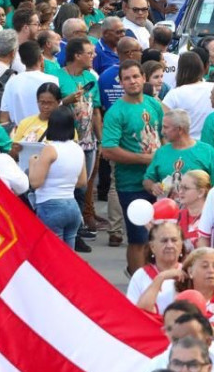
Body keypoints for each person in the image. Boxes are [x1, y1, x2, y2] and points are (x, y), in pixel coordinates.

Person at [101, 60, 164, 273]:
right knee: (138, 239)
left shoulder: (154, 104)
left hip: (158, 183)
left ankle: (149, 279)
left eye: (136, 76)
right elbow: (108, 150)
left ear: (144, 78)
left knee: (156, 237)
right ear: (121, 82)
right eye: (127, 78)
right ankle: (138, 281)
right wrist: (146, 159)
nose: (132, 81)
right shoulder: (116, 112)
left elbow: (163, 136)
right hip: (131, 185)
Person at [29, 106, 88, 248]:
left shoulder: (50, 149)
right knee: (69, 259)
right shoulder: (77, 148)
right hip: (72, 206)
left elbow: (35, 182)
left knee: (52, 257)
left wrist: (32, 163)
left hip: (50, 205)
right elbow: (82, 182)